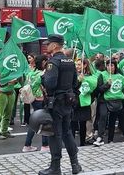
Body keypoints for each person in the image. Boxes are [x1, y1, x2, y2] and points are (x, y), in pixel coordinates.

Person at [39, 34, 82, 175]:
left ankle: (55, 167)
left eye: (49, 43)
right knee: (67, 133)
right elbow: (75, 83)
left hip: (56, 103)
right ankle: (75, 164)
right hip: (68, 102)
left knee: (54, 135)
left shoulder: (53, 62)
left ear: (56, 45)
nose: (47, 45)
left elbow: (50, 84)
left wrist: (43, 78)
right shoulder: (69, 61)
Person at [23, 55, 49, 152]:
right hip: (41, 99)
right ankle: (45, 145)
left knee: (35, 122)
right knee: (44, 121)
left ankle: (27, 144)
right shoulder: (42, 74)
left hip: (32, 99)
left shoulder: (31, 73)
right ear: (43, 62)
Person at [0, 63, 19, 140]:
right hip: (1, 93)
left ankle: (4, 130)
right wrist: (8, 82)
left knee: (8, 114)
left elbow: (18, 80)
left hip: (11, 92)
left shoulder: (12, 68)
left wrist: (16, 80)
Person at [21, 54, 37, 127]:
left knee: (35, 103)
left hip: (34, 87)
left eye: (30, 58)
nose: (29, 59)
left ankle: (36, 119)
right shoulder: (26, 67)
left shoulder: (37, 67)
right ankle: (26, 119)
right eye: (28, 58)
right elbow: (23, 76)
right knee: (26, 103)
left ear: (34, 58)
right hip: (26, 87)